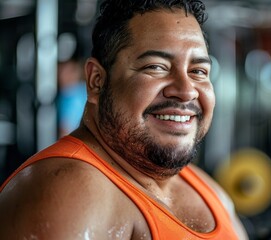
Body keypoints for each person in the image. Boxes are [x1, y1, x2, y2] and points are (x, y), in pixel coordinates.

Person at [0, 0, 248, 239]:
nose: (186, 91)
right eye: (156, 67)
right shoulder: (71, 190)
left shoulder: (205, 188)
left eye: (198, 72)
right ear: (97, 81)